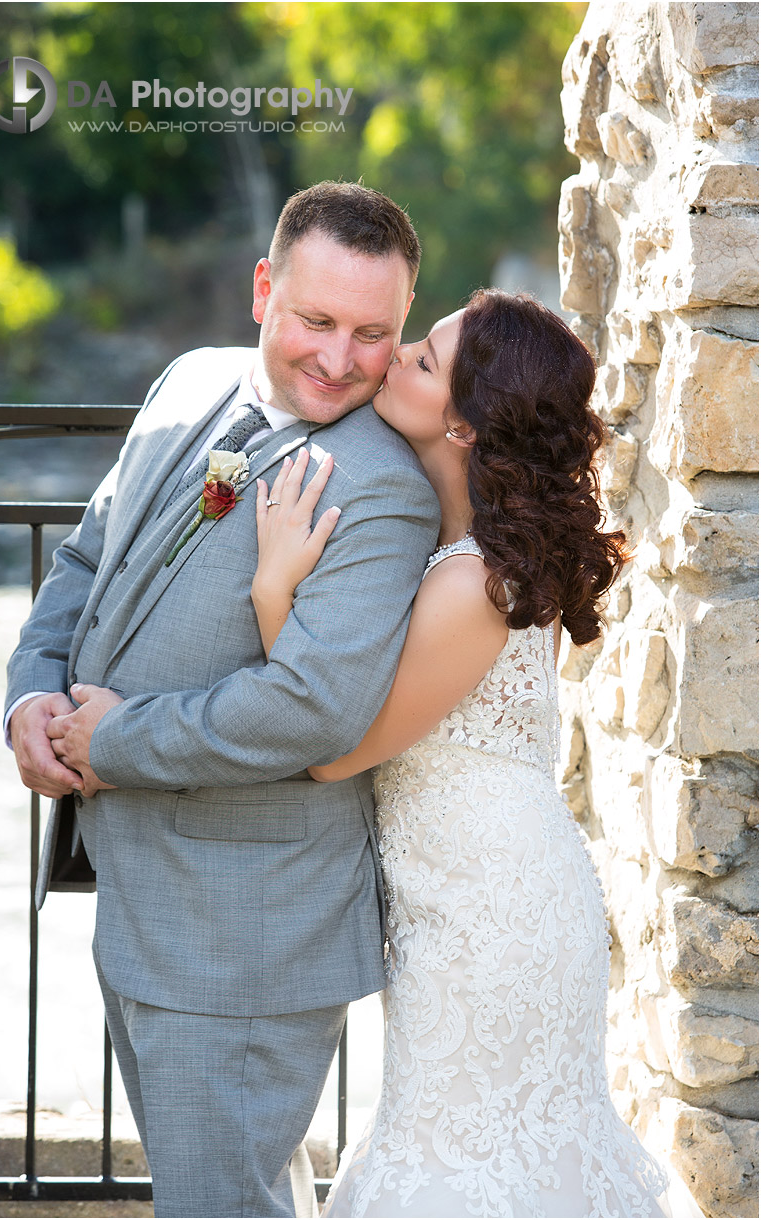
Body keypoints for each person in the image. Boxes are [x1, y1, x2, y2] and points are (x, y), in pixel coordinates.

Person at [4, 181, 441, 1219]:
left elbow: (312, 707)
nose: (340, 359)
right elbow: (84, 557)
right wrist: (31, 691)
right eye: (317, 320)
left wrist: (109, 743)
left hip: (248, 931)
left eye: (374, 333)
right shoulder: (187, 382)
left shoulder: (380, 482)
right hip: (143, 897)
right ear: (262, 290)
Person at [251, 290, 678, 1218]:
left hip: (493, 922)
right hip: (461, 901)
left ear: (464, 428)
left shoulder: (479, 580)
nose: (396, 354)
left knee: (468, 1170)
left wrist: (273, 588)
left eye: (423, 360)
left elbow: (334, 752)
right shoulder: (462, 551)